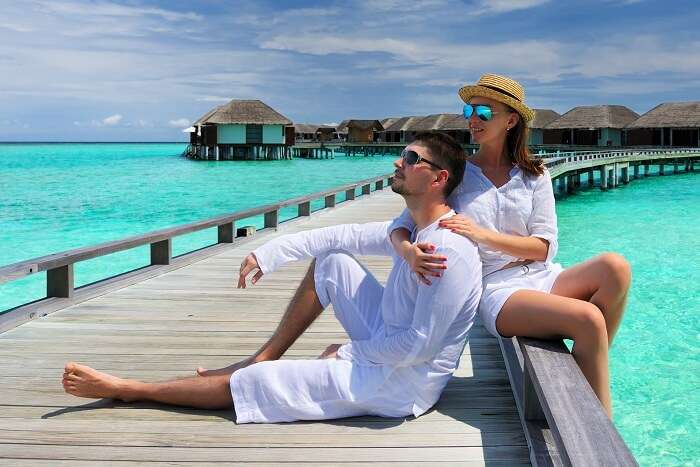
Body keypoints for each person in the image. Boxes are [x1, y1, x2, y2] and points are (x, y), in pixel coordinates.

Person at [63, 132, 484, 424]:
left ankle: (132, 389)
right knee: (332, 259)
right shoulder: (412, 230)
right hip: (389, 343)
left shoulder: (444, 253)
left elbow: (418, 347)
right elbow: (340, 234)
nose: (398, 161)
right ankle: (265, 354)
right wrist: (269, 253)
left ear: (438, 178)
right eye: (402, 155)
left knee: (252, 384)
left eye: (411, 159)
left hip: (403, 384)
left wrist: (350, 352)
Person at [388, 74, 631, 418]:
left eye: (483, 113)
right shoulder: (458, 173)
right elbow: (401, 226)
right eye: (468, 111)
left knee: (616, 268)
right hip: (496, 289)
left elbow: (545, 248)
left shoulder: (535, 174)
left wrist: (482, 235)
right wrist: (409, 252)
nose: (472, 120)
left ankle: (587, 376)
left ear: (511, 120)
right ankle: (601, 427)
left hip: (542, 276)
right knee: (590, 319)